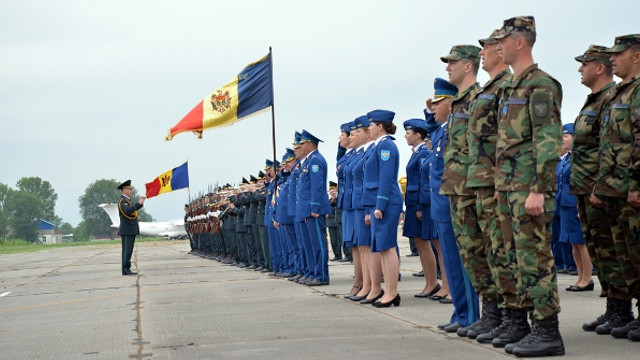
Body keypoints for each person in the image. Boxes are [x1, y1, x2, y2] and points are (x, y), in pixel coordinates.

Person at [493, 16, 564, 357]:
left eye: (503, 40)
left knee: (535, 258)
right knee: (516, 260)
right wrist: (499, 184)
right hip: (509, 188)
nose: (498, 46)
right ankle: (525, 324)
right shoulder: (511, 87)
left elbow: (547, 140)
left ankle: (548, 330)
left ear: (519, 42)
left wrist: (538, 188)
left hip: (528, 189)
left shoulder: (541, 85)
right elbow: (505, 144)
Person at [569, 45, 626, 333]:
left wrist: (600, 188)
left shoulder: (610, 100)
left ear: (600, 67)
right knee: (601, 251)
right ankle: (615, 308)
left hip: (601, 190)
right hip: (586, 188)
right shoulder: (594, 100)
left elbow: (610, 148)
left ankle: (622, 310)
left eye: (585, 64)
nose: (580, 69)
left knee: (614, 252)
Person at [464, 29, 513, 341]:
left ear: (502, 50)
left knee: (503, 253)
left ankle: (512, 317)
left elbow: (508, 138)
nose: (482, 53)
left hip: (497, 183)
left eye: (488, 47)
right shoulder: (486, 89)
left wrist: (500, 180)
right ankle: (493, 314)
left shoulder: (507, 86)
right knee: (484, 253)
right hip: (479, 183)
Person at [592, 34, 640, 341]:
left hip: (630, 190)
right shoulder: (619, 93)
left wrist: (636, 184)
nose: (613, 59)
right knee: (627, 257)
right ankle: (626, 311)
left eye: (618, 54)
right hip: (615, 191)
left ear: (636, 56)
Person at [439, 43, 482, 335]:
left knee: (474, 258)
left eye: (452, 62)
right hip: (456, 191)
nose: (447, 67)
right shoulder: (459, 105)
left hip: (471, 191)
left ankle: (473, 316)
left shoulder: (478, 99)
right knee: (459, 257)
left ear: (468, 65)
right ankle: (462, 312)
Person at [363, 109, 404, 307]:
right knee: (381, 247)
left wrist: (379, 205)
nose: (368, 128)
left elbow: (386, 177)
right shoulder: (377, 147)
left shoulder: (386, 146)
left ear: (379, 127)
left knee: (387, 247)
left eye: (371, 125)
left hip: (386, 202)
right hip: (378, 203)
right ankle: (388, 291)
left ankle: (392, 292)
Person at [403, 118, 440, 299]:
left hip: (419, 203)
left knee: (427, 245)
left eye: (408, 133)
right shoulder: (416, 152)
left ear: (418, 135)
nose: (405, 136)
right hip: (412, 202)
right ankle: (428, 282)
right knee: (420, 243)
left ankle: (433, 282)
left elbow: (423, 182)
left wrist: (418, 207)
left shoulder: (424, 152)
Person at [555, 124, 593, 292]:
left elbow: (584, 182)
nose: (563, 139)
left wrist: (581, 206)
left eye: (566, 135)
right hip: (564, 205)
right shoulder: (566, 158)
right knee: (573, 243)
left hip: (574, 204)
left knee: (581, 242)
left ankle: (587, 278)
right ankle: (580, 276)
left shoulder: (580, 157)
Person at [296, 129, 332, 286]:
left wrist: (315, 208)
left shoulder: (316, 160)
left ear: (310, 144)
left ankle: (322, 275)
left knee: (318, 244)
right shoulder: (310, 161)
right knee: (312, 245)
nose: (301, 146)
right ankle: (314, 273)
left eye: (303, 143)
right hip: (307, 209)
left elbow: (317, 186)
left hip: (314, 210)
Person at [117, 180, 145, 276]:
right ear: (124, 189)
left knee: (129, 250)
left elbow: (132, 211)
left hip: (130, 229)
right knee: (127, 250)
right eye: (129, 188)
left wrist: (140, 204)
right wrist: (139, 204)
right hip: (127, 230)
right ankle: (125, 269)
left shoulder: (127, 200)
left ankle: (126, 268)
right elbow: (128, 211)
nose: (131, 190)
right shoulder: (123, 201)